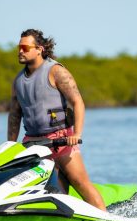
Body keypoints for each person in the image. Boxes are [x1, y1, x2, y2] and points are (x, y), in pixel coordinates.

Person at [7, 29, 107, 211]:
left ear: (39, 49)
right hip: (34, 146)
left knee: (81, 183)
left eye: (24, 47)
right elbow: (14, 115)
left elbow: (78, 103)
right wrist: (10, 145)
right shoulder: (18, 81)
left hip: (62, 141)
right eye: (18, 47)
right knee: (51, 195)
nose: (20, 51)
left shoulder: (56, 72)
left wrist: (76, 133)